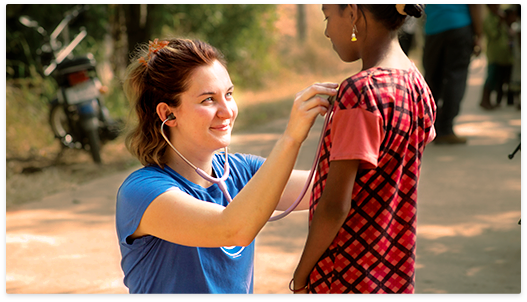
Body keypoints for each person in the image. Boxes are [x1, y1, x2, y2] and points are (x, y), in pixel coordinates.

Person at [116, 38, 337, 294]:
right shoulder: (141, 192)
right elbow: (233, 229)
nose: (227, 111)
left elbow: (329, 187)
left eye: (229, 94)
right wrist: (291, 138)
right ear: (168, 114)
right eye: (209, 99)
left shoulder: (242, 171)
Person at [292, 4, 436, 294]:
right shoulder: (416, 83)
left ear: (353, 13)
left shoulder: (360, 92)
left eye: (328, 16)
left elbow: (335, 208)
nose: (326, 31)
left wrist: (300, 276)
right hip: (393, 272)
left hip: (345, 275)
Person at [423, 4, 483, 145]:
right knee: (455, 77)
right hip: (459, 25)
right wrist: (479, 34)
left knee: (432, 78)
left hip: (433, 28)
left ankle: (429, 127)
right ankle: (445, 129)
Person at [480, 5, 516, 110]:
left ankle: (493, 101)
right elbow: (493, 34)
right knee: (491, 77)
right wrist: (500, 22)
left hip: (503, 56)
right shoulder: (489, 20)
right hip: (494, 55)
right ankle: (484, 100)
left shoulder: (500, 18)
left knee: (497, 79)